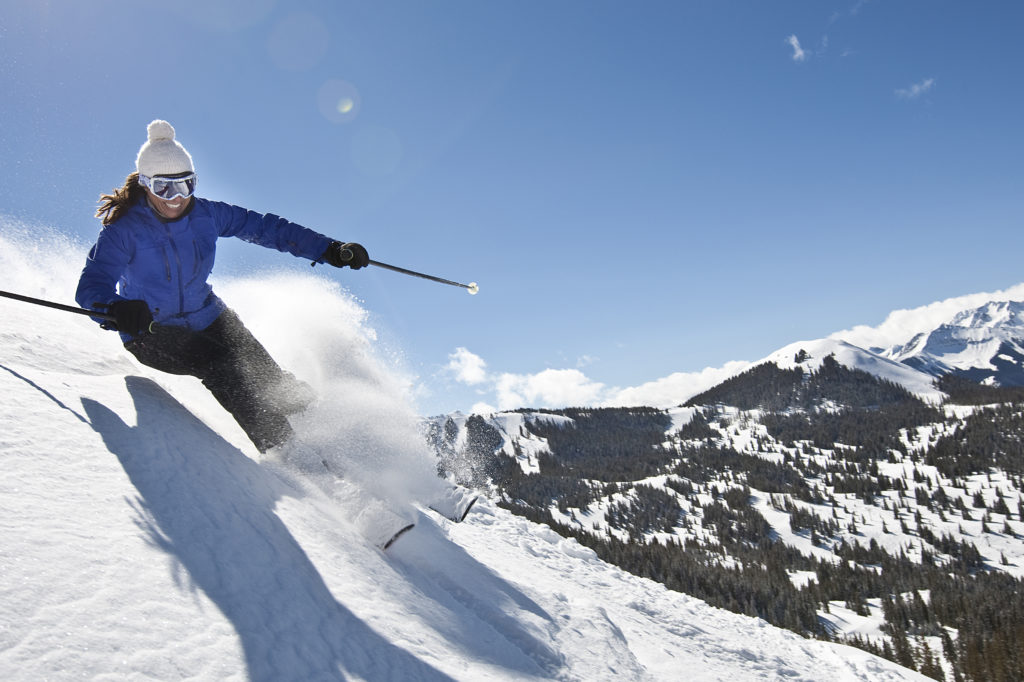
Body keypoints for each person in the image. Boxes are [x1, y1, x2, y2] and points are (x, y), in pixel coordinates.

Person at [76, 119, 368, 454]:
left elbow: (267, 228)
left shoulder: (207, 215)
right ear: (145, 185)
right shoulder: (123, 231)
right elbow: (91, 284)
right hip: (151, 331)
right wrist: (115, 308)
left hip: (208, 315)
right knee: (221, 364)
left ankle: (330, 439)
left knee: (270, 380)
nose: (177, 198)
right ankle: (288, 452)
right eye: (164, 188)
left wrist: (329, 249)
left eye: (186, 185)